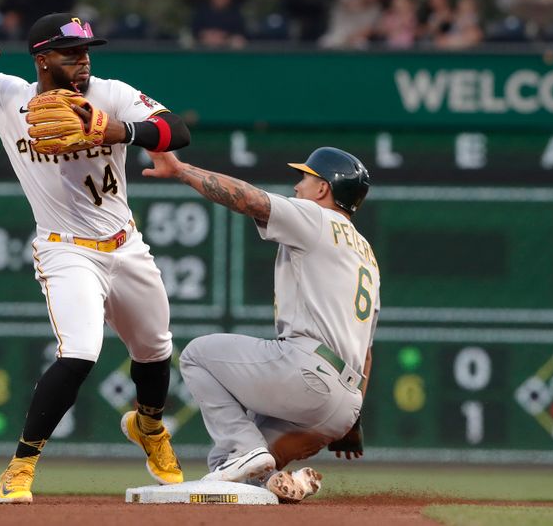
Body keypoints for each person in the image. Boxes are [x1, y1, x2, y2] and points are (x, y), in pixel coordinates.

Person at [0, 12, 191, 504]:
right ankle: (21, 465)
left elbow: (176, 130)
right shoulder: (9, 95)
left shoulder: (109, 93)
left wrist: (117, 130)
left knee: (156, 351)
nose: (83, 60)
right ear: (42, 59)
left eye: (86, 50)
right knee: (79, 353)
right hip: (66, 248)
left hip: (125, 243)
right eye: (70, 53)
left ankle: (150, 429)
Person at [144, 147, 379, 503]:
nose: (298, 186)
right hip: (344, 403)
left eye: (305, 178)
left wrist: (181, 169)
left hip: (307, 373)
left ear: (323, 190)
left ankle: (250, 450)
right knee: (227, 466)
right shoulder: (366, 255)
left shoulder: (316, 218)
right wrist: (351, 419)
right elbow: (367, 353)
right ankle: (280, 482)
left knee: (197, 356)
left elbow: (251, 200)